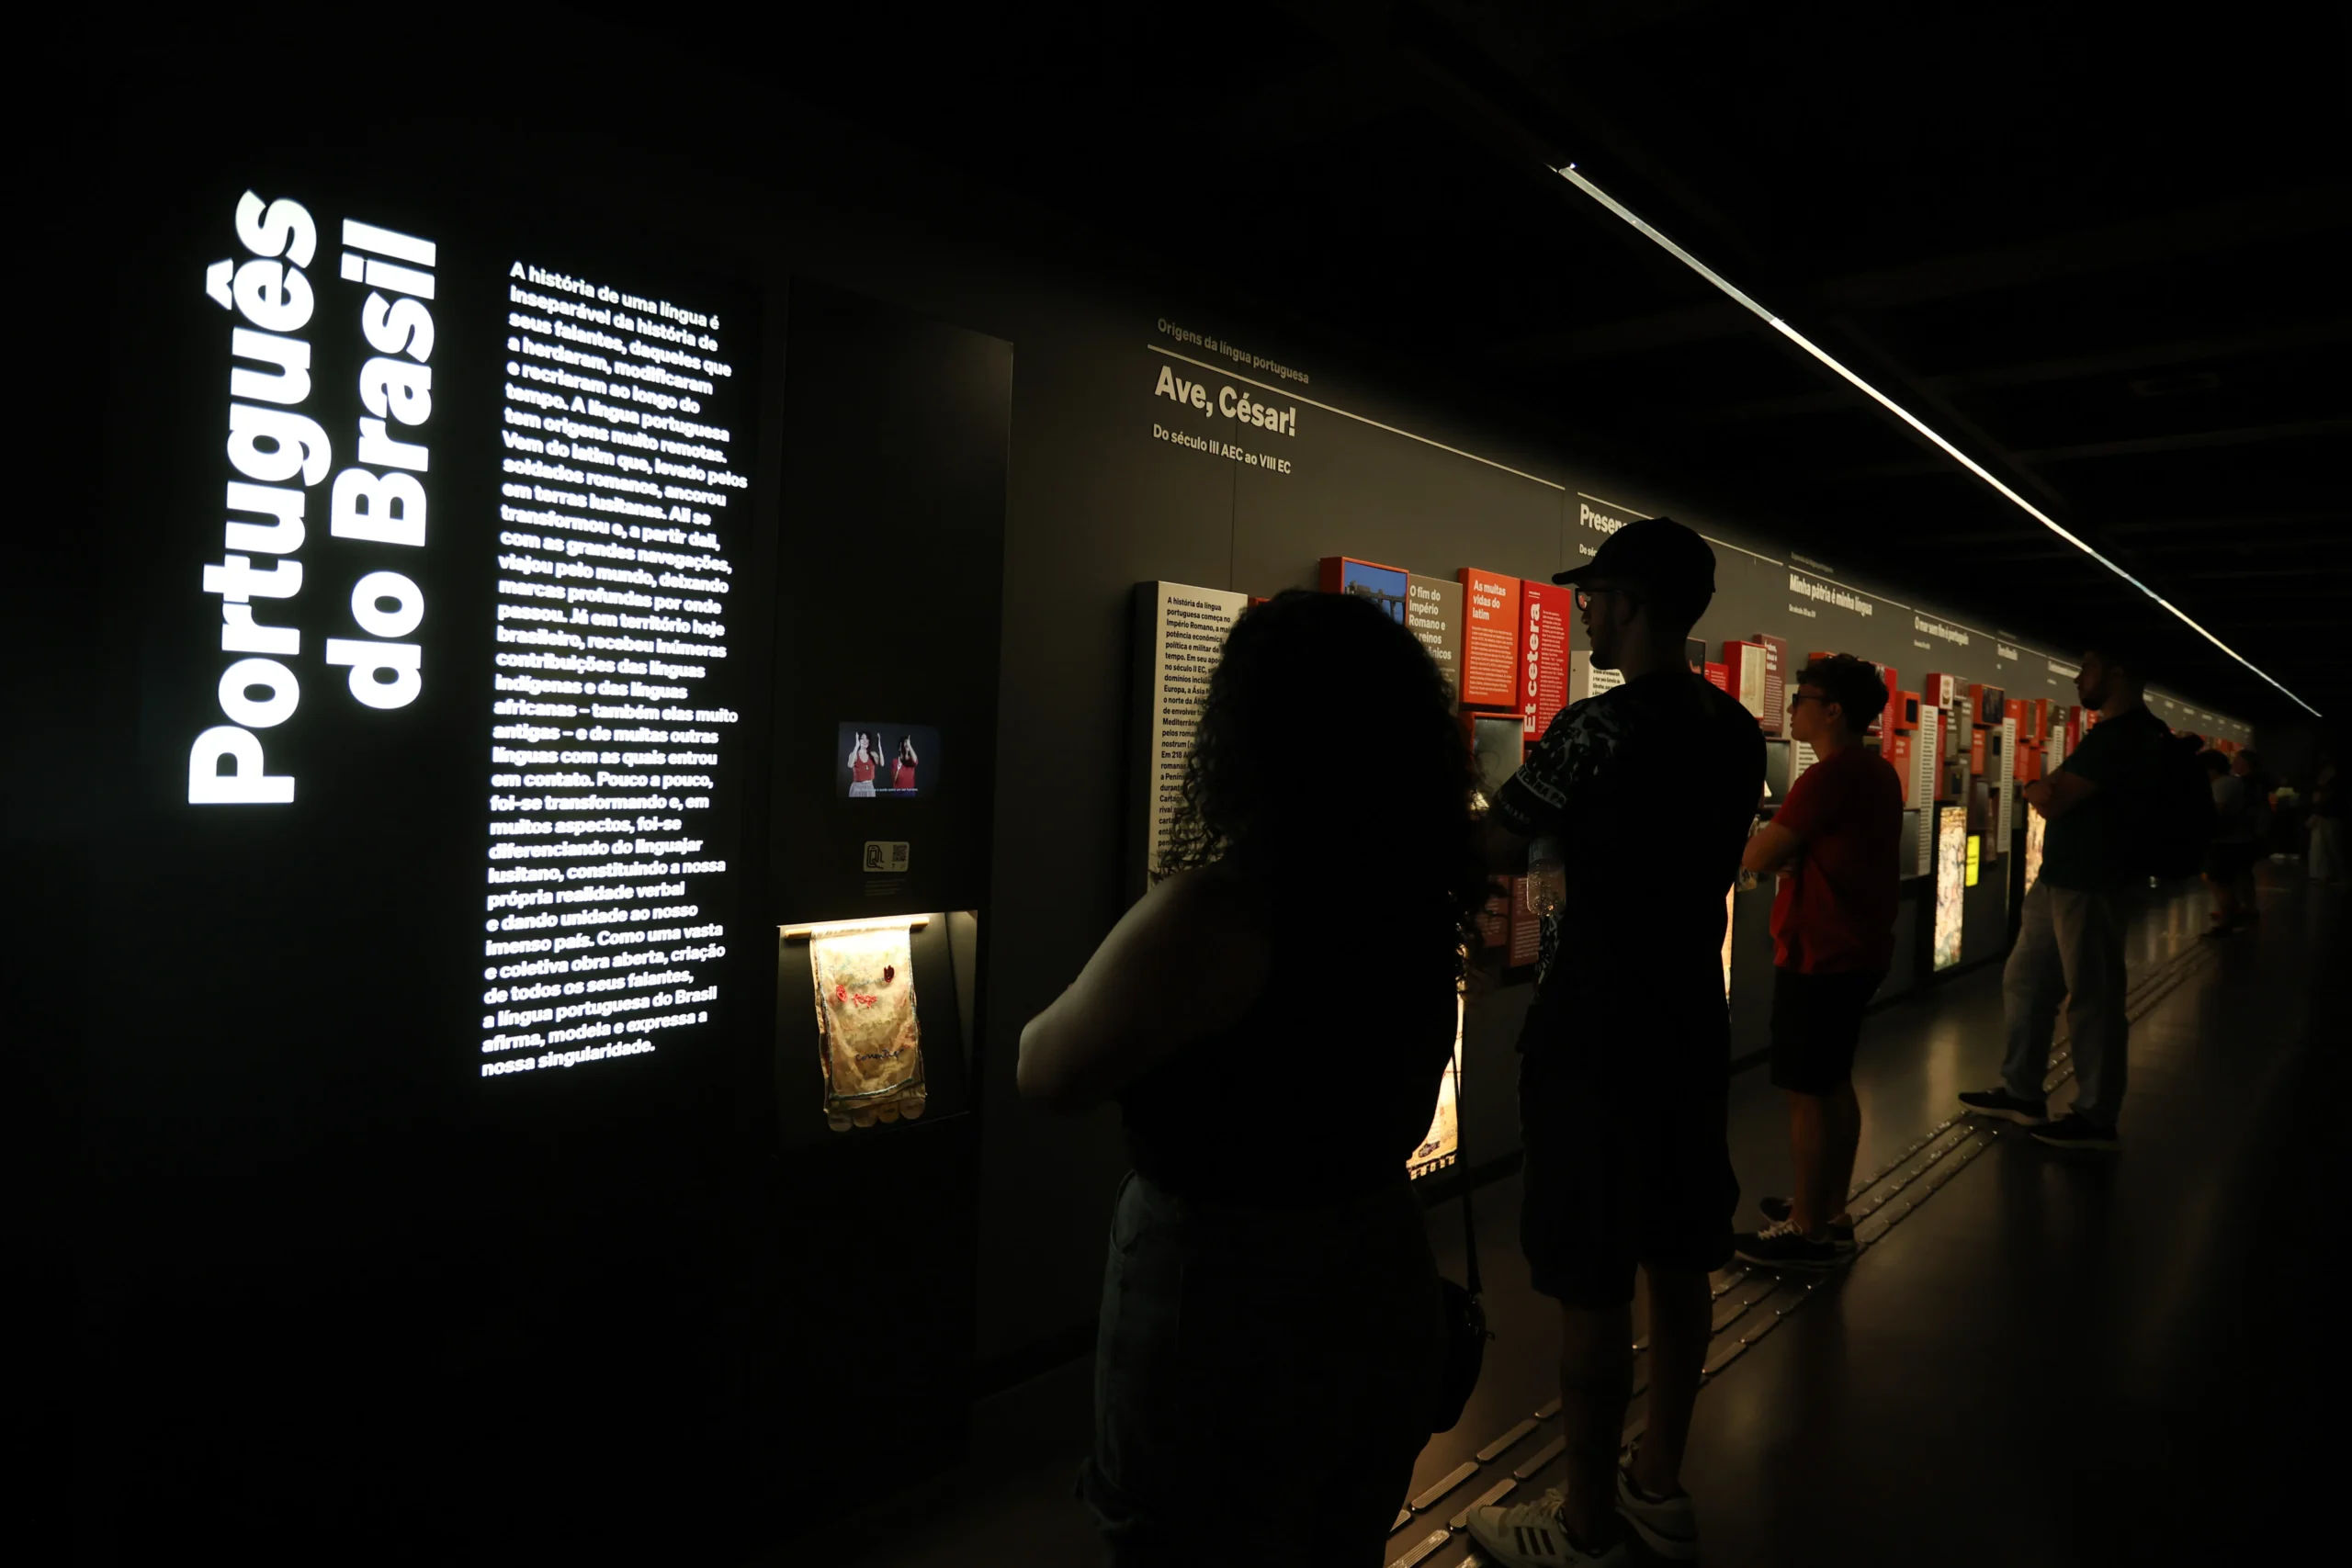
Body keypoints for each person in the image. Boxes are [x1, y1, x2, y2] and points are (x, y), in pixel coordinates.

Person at [1018, 590, 1477, 1566]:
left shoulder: (1224, 911)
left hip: (1222, 1296)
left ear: (1246, 733)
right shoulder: (1410, 902)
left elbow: (1044, 1069)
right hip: (1377, 1271)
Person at [1463, 519, 1763, 1567]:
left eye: (1594, 595)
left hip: (1591, 1027)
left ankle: (1584, 1524)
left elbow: (1493, 841)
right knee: (1679, 1257)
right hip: (1687, 1017)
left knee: (1589, 1275)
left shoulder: (1596, 730)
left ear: (1630, 604)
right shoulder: (1733, 732)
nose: (1584, 609)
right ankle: (1658, 1483)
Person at [1960, 644, 2168, 1150]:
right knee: (2027, 982)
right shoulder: (2114, 736)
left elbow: (2052, 797)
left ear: (2117, 673)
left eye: (2088, 669)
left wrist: (2036, 786)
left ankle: (2096, 1115)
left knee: (2092, 998)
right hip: (2062, 879)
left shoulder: (2127, 736)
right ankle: (2022, 1092)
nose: (2078, 679)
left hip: (2094, 882)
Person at [1731, 654, 1902, 1271]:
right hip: (1855, 949)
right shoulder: (1875, 772)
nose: (1792, 705)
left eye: (1802, 696)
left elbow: (1758, 850)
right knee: (1832, 1081)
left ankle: (1806, 1229)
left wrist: (1772, 851)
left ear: (1832, 709)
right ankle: (1828, 1209)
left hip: (1819, 951)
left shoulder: (1828, 777)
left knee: (1807, 1089)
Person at [2201, 750, 2258, 933]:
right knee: (2229, 879)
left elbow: (2215, 813)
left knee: (2219, 881)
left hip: (2226, 842)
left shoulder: (2222, 785)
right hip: (2237, 840)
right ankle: (2236, 913)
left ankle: (2227, 920)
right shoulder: (2233, 782)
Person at [2307, 761, 2345, 886]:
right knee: (2327, 847)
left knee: (2329, 847)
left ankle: (2332, 875)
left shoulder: (2330, 787)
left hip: (2327, 818)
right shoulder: (2331, 786)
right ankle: (2329, 875)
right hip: (2327, 817)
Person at [846, 732, 876, 797]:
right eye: (862, 738)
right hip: (857, 788)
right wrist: (856, 746)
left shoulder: (872, 754)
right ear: (859, 740)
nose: (865, 740)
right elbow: (850, 765)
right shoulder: (853, 754)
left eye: (867, 738)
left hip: (870, 787)